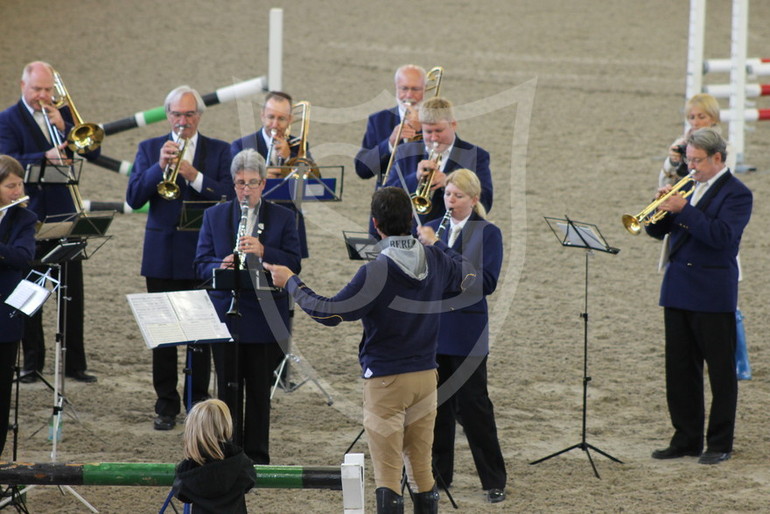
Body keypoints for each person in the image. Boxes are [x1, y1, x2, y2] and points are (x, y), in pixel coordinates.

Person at [264, 187, 475, 513]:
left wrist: (291, 281)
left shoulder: (376, 271)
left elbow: (328, 312)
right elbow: (469, 275)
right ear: (411, 220)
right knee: (421, 469)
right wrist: (436, 242)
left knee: (388, 474)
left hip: (387, 379)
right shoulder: (434, 259)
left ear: (376, 225)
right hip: (426, 376)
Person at [127, 85, 233, 431]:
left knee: (200, 334)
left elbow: (229, 196)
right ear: (168, 116)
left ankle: (197, 401)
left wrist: (193, 175)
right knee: (163, 334)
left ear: (199, 116)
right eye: (176, 114)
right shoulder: (148, 149)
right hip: (162, 254)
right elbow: (133, 196)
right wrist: (160, 167)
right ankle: (166, 403)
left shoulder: (220, 150)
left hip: (203, 255)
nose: (182, 121)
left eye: (189, 115)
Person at [646, 127, 752, 465]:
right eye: (689, 160)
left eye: (697, 161)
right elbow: (654, 231)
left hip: (712, 292)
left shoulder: (737, 194)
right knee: (679, 369)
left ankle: (719, 442)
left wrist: (684, 210)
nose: (690, 167)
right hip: (677, 288)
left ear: (717, 158)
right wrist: (660, 208)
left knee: (720, 372)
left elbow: (722, 237)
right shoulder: (688, 186)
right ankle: (686, 438)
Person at [195, 149, 301, 464]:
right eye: (240, 183)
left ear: (264, 184)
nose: (246, 190)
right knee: (226, 390)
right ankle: (227, 452)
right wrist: (220, 264)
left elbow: (295, 263)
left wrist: (265, 250)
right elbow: (200, 264)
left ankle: (256, 456)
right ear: (234, 183)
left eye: (253, 183)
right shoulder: (214, 216)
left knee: (258, 392)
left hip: (264, 317)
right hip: (226, 315)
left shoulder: (283, 217)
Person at [0, 61, 100, 384]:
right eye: (37, 90)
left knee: (73, 292)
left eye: (48, 90)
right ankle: (32, 363)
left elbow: (92, 151)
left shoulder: (62, 114)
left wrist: (66, 125)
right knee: (31, 288)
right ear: (22, 87)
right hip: (30, 216)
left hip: (65, 213)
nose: (43, 97)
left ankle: (75, 363)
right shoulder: (7, 120)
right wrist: (45, 157)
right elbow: (7, 160)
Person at [416, 169, 507, 503]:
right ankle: (440, 475)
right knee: (437, 407)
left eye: (457, 196)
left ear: (474, 199)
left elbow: (483, 283)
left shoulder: (488, 233)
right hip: (435, 331)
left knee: (474, 408)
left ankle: (493, 479)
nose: (450, 202)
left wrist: (440, 248)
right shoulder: (434, 228)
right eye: (447, 195)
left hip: (467, 333)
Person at [384, 97, 493, 226]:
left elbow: (485, 202)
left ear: (453, 124)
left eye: (439, 131)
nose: (434, 138)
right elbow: (386, 198)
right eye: (428, 132)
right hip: (410, 233)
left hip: (451, 233)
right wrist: (415, 178)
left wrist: (449, 184)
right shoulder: (406, 152)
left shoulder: (475, 155)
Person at [231, 91, 310, 258]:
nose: (275, 124)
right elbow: (233, 184)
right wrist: (262, 176)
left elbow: (312, 183)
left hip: (287, 223)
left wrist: (290, 158)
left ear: (290, 120)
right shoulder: (241, 145)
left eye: (281, 119)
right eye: (270, 117)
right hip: (251, 219)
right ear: (262, 116)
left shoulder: (298, 146)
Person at [0, 155, 36, 457]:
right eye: (11, 185)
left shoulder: (24, 219)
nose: (18, 189)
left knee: (1, 396)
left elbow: (23, 258)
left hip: (4, 318)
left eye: (19, 183)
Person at [173, 399, 256, 514]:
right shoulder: (239, 461)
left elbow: (181, 494)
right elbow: (249, 481)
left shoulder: (189, 469)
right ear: (227, 425)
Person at [354, 65, 426, 186]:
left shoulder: (439, 119)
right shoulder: (379, 120)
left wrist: (422, 130)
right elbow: (362, 170)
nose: (409, 95)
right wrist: (390, 143)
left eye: (415, 89)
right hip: (388, 198)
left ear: (425, 89)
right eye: (404, 88)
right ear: (396, 88)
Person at [659, 93, 736, 187]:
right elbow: (663, 184)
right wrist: (672, 162)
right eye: (691, 117)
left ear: (714, 118)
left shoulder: (726, 149)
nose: (695, 123)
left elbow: (723, 183)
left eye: (701, 117)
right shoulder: (680, 144)